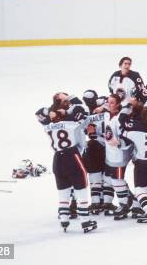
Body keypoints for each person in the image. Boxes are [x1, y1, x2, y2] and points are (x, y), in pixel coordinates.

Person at [35, 93, 97, 233]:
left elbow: (40, 114)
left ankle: (64, 219)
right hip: (72, 156)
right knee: (81, 190)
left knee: (63, 192)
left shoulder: (48, 125)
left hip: (57, 158)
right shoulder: (71, 122)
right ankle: (85, 222)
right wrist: (68, 109)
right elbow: (84, 113)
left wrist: (52, 112)